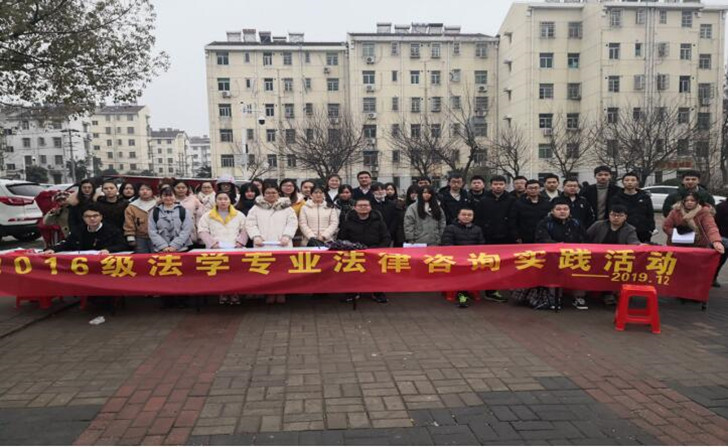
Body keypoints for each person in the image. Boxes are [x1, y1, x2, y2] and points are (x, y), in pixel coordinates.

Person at [245, 184, 298, 304]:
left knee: (282, 270)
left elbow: (292, 223)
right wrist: (256, 236)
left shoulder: (287, 208)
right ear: (263, 194)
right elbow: (250, 224)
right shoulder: (256, 208)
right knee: (266, 270)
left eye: (273, 192)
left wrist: (287, 236)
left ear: (278, 193)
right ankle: (269, 292)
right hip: (263, 244)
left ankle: (281, 292)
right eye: (268, 193)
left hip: (282, 243)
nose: (271, 195)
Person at [534, 198, 588, 310]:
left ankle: (578, 297)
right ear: (552, 211)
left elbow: (584, 239)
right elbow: (542, 239)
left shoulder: (576, 223)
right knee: (552, 274)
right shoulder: (545, 223)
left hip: (574, 255)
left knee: (580, 272)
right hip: (552, 256)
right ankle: (554, 298)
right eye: (558, 209)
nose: (562, 211)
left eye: (565, 209)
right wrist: (559, 247)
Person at [198, 191, 248, 305]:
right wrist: (212, 244)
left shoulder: (239, 215)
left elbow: (245, 229)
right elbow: (202, 230)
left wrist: (240, 243)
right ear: (215, 201)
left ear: (230, 201)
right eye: (220, 199)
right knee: (220, 272)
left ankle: (235, 294)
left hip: (235, 248)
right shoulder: (207, 215)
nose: (223, 201)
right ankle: (222, 293)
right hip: (216, 249)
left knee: (235, 273)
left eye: (226, 199)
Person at [338, 198, 392, 303]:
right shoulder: (348, 222)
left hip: (374, 252)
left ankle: (377, 292)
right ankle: (352, 292)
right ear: (355, 208)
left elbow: (386, 238)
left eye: (366, 205)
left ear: (370, 207)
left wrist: (378, 250)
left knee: (376, 273)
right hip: (354, 253)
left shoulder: (378, 221)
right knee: (352, 272)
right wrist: (351, 248)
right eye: (360, 205)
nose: (363, 207)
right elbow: (342, 238)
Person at [474, 175, 515, 302]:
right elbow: (478, 219)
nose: (498, 187)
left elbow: (514, 219)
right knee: (490, 265)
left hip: (506, 237)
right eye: (495, 184)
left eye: (501, 184)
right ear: (491, 185)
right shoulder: (484, 200)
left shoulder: (511, 200)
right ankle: (490, 291)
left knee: (506, 265)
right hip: (489, 237)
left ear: (505, 185)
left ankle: (507, 288)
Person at [441, 207, 485, 308]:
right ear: (458, 216)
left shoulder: (477, 229)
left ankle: (470, 292)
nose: (466, 217)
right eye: (464, 214)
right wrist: (459, 257)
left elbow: (481, 245)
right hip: (456, 260)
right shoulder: (450, 228)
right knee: (461, 274)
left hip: (472, 260)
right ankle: (462, 295)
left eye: (469, 215)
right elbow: (447, 244)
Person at [43, 204, 127, 255]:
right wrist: (52, 249)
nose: (92, 219)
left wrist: (108, 250)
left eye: (95, 216)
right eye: (88, 216)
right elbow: (67, 243)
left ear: (101, 217)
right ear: (83, 218)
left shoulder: (112, 230)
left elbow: (122, 245)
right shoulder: (79, 230)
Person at [610, 172, 655, 243]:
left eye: (633, 180)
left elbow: (650, 214)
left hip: (642, 232)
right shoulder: (616, 198)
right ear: (622, 182)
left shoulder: (645, 197)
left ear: (637, 182)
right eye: (627, 180)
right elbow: (612, 214)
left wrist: (651, 229)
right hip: (622, 231)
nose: (630, 182)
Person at [148, 186, 194, 253]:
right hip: (161, 250)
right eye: (165, 196)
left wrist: (175, 245)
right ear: (161, 197)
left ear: (175, 197)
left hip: (181, 249)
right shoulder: (155, 212)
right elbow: (152, 231)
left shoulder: (183, 211)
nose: (168, 198)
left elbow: (186, 230)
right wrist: (163, 246)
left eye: (170, 195)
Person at [509, 179, 552, 244]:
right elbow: (513, 221)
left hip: (543, 236)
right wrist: (516, 236)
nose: (533, 190)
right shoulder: (518, 203)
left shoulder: (546, 202)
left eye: (536, 188)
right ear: (526, 189)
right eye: (530, 188)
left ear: (540, 189)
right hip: (525, 237)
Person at [123, 183, 158, 253]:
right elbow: (129, 223)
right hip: (140, 237)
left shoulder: (158, 204)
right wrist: (130, 237)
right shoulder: (132, 206)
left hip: (157, 237)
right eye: (142, 189)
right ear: (138, 191)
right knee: (142, 257)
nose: (145, 191)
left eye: (148, 189)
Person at [371, 182, 399, 246]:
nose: (380, 192)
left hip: (390, 235)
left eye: (382, 189)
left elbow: (395, 219)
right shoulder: (370, 204)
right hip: (374, 235)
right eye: (377, 190)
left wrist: (389, 232)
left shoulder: (392, 204)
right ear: (372, 192)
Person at [384, 182, 406, 247]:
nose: (389, 191)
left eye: (391, 189)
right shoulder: (383, 202)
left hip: (398, 231)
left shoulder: (400, 202)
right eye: (387, 189)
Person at [713, 199, 728, 287]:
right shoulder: (722, 207)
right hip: (721, 238)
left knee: (721, 260)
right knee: (719, 260)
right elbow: (714, 223)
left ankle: (713, 277)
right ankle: (712, 278)